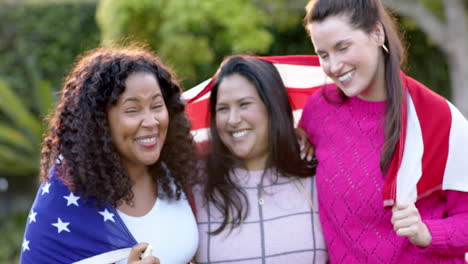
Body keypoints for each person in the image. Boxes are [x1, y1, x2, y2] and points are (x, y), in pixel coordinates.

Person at [299, 0, 468, 262]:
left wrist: (427, 233)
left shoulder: (436, 117)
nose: (333, 65)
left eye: (342, 47)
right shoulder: (318, 110)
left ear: (377, 33)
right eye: (323, 55)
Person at [20, 45, 199, 264]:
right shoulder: (63, 200)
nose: (151, 121)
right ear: (100, 122)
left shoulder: (175, 171)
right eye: (132, 110)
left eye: (157, 106)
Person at [194, 56, 328, 264]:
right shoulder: (195, 183)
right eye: (223, 109)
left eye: (244, 104)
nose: (233, 119)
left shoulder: (316, 173)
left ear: (273, 107)